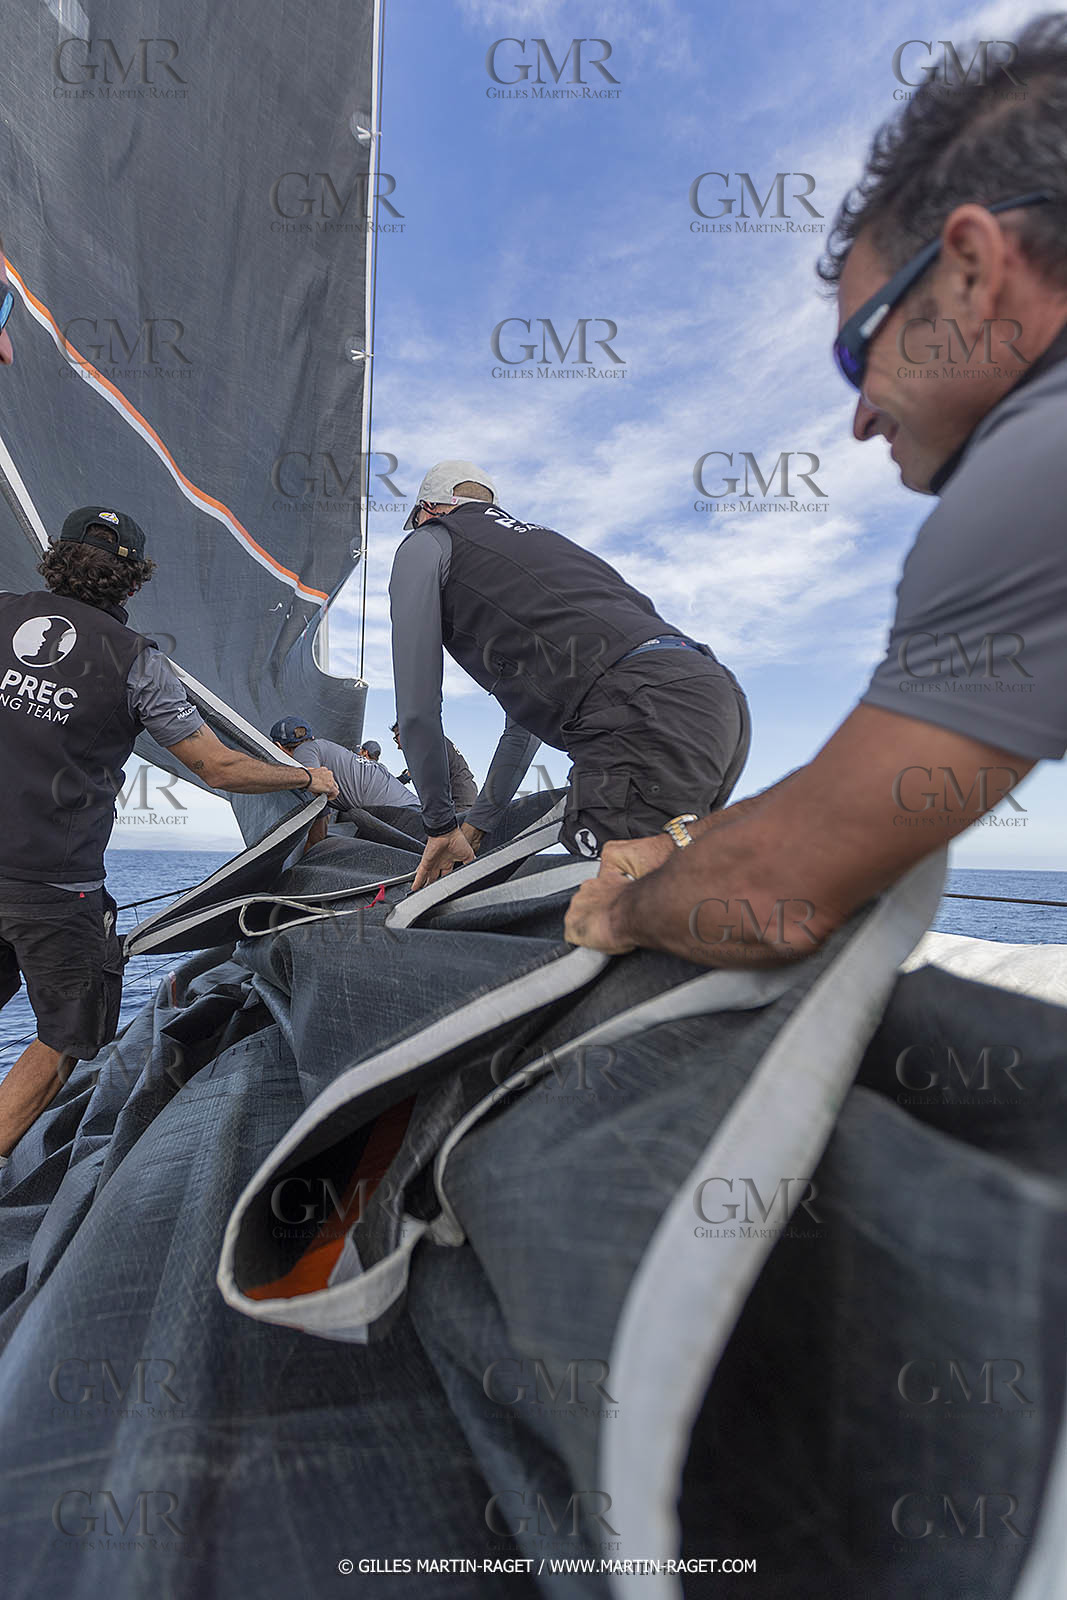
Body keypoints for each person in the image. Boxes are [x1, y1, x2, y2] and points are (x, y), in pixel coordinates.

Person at [565, 15, 1067, 965]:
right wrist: (679, 845)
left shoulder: (1035, 460)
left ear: (969, 268)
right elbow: (834, 801)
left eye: (856, 351)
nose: (859, 418)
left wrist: (615, 915)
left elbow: (772, 897)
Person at [0, 509, 338, 1160]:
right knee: (69, 1034)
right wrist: (303, 777)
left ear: (53, 558)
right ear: (132, 584)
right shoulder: (137, 664)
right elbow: (217, 766)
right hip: (52, 888)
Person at [390, 460, 750, 891]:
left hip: (638, 714)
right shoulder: (540, 546)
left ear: (429, 508)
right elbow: (522, 730)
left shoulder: (428, 543)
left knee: (606, 914)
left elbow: (417, 707)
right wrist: (478, 826)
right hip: (715, 698)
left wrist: (440, 825)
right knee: (676, 902)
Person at [271, 718, 422, 839]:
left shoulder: (303, 751)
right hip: (414, 811)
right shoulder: (326, 749)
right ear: (312, 737)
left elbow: (317, 792)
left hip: (402, 817)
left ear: (278, 747)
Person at [390, 719, 478, 808]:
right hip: (466, 798)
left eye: (396, 739)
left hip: (458, 803)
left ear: (405, 732)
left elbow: (432, 783)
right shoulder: (434, 739)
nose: (398, 747)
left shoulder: (427, 743)